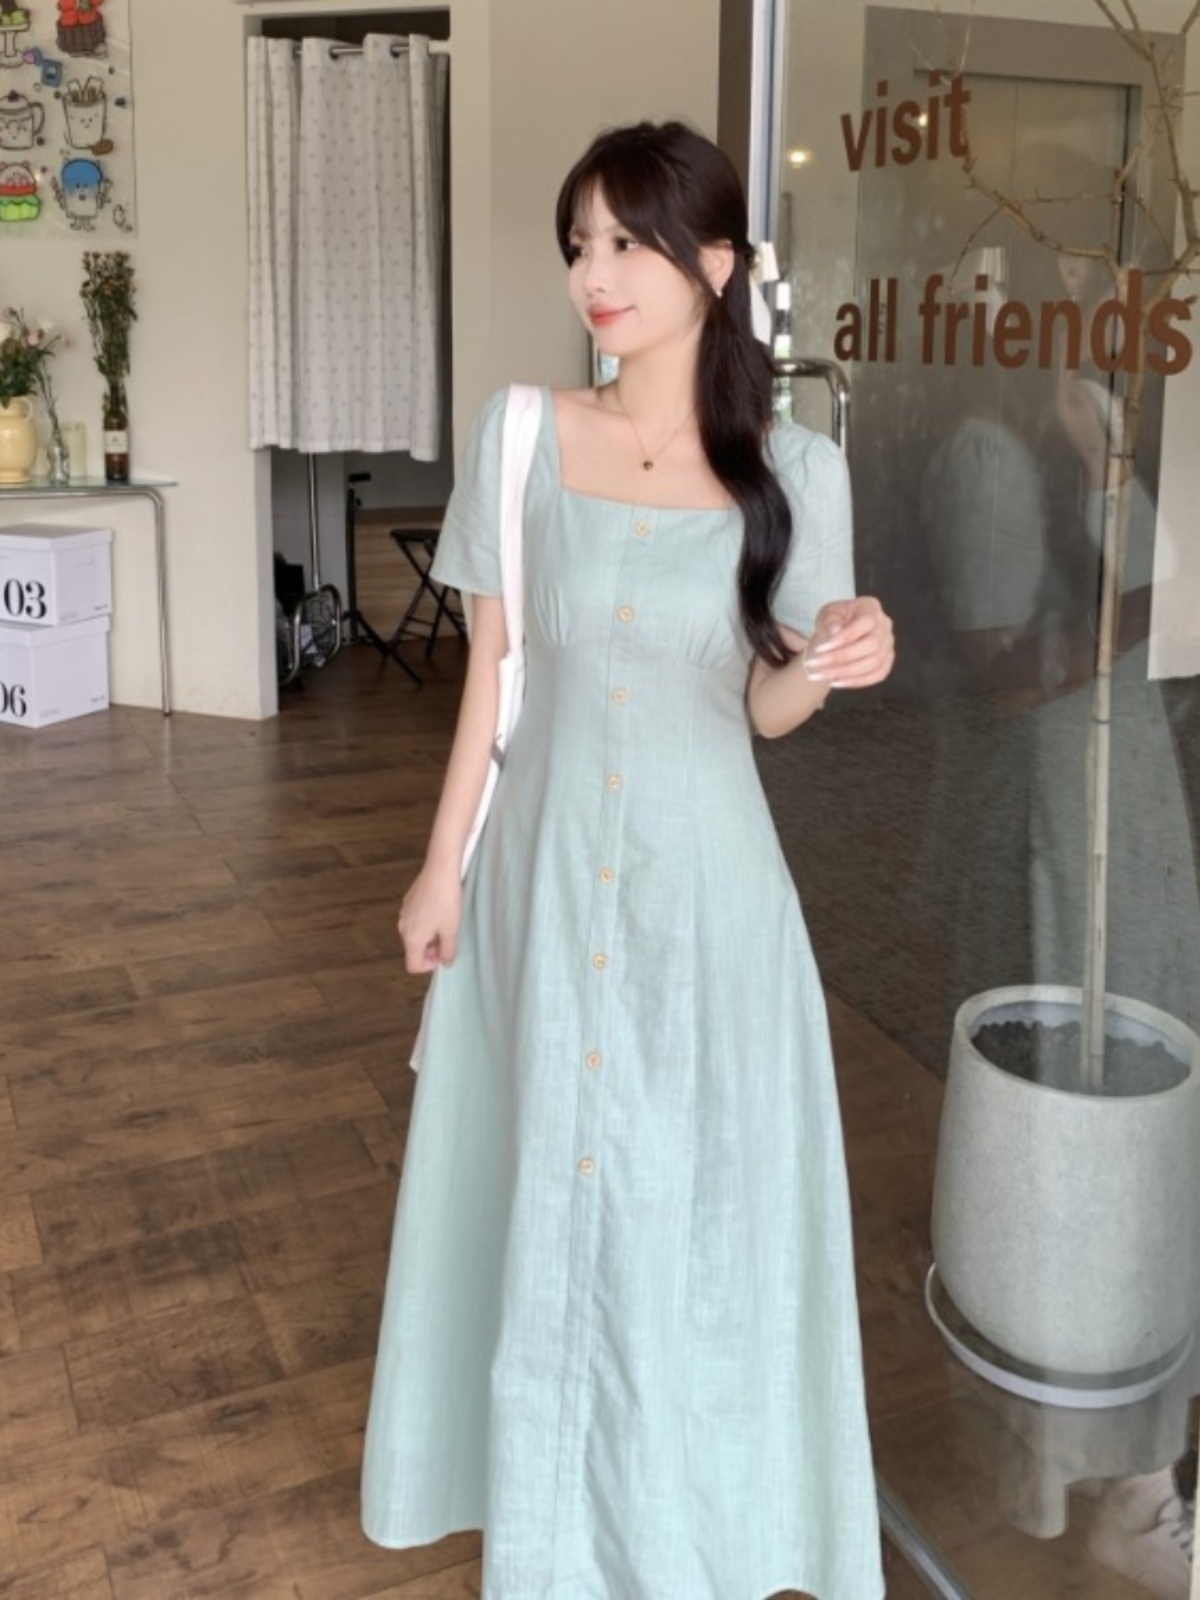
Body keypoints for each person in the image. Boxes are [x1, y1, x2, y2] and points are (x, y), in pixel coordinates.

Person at [360, 119, 895, 1600]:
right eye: (578, 243)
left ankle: (679, 1530)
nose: (593, 273)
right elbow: (493, 672)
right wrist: (440, 867)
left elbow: (764, 712)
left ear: (714, 265)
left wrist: (837, 654)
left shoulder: (798, 468)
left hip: (709, 902)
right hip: (539, 880)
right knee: (542, 1185)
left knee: (684, 1209)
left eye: (626, 243)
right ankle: (553, 1535)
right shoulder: (523, 435)